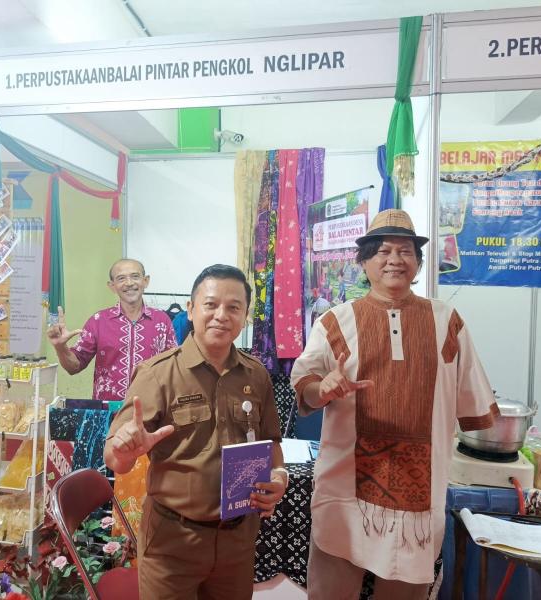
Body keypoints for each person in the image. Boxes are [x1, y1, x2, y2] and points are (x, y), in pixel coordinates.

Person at [291, 209, 498, 599]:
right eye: (383, 251)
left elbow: (473, 404)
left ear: (418, 262)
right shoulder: (336, 321)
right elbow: (305, 387)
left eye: (405, 251)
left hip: (419, 503)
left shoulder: (447, 321)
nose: (394, 260)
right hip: (345, 492)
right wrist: (325, 388)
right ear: (364, 261)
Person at [104, 264, 288, 600]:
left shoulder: (256, 375)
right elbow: (115, 460)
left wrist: (279, 475)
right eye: (211, 304)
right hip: (173, 542)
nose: (221, 315)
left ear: (245, 315)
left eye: (234, 307)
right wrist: (125, 450)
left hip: (237, 541)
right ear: (190, 309)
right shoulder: (157, 374)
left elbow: (270, 441)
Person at [46, 258, 177, 400]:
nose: (129, 283)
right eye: (121, 278)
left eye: (135, 276)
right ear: (112, 286)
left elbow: (174, 367)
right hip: (107, 411)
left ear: (145, 281)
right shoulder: (98, 321)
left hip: (152, 409)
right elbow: (74, 367)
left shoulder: (162, 320)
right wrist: (60, 347)